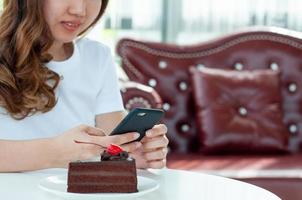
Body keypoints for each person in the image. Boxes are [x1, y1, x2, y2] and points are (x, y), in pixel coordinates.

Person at [0, 0, 169, 172]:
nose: (79, 10)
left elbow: (114, 144)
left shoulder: (97, 56)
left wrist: (136, 155)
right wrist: (54, 152)